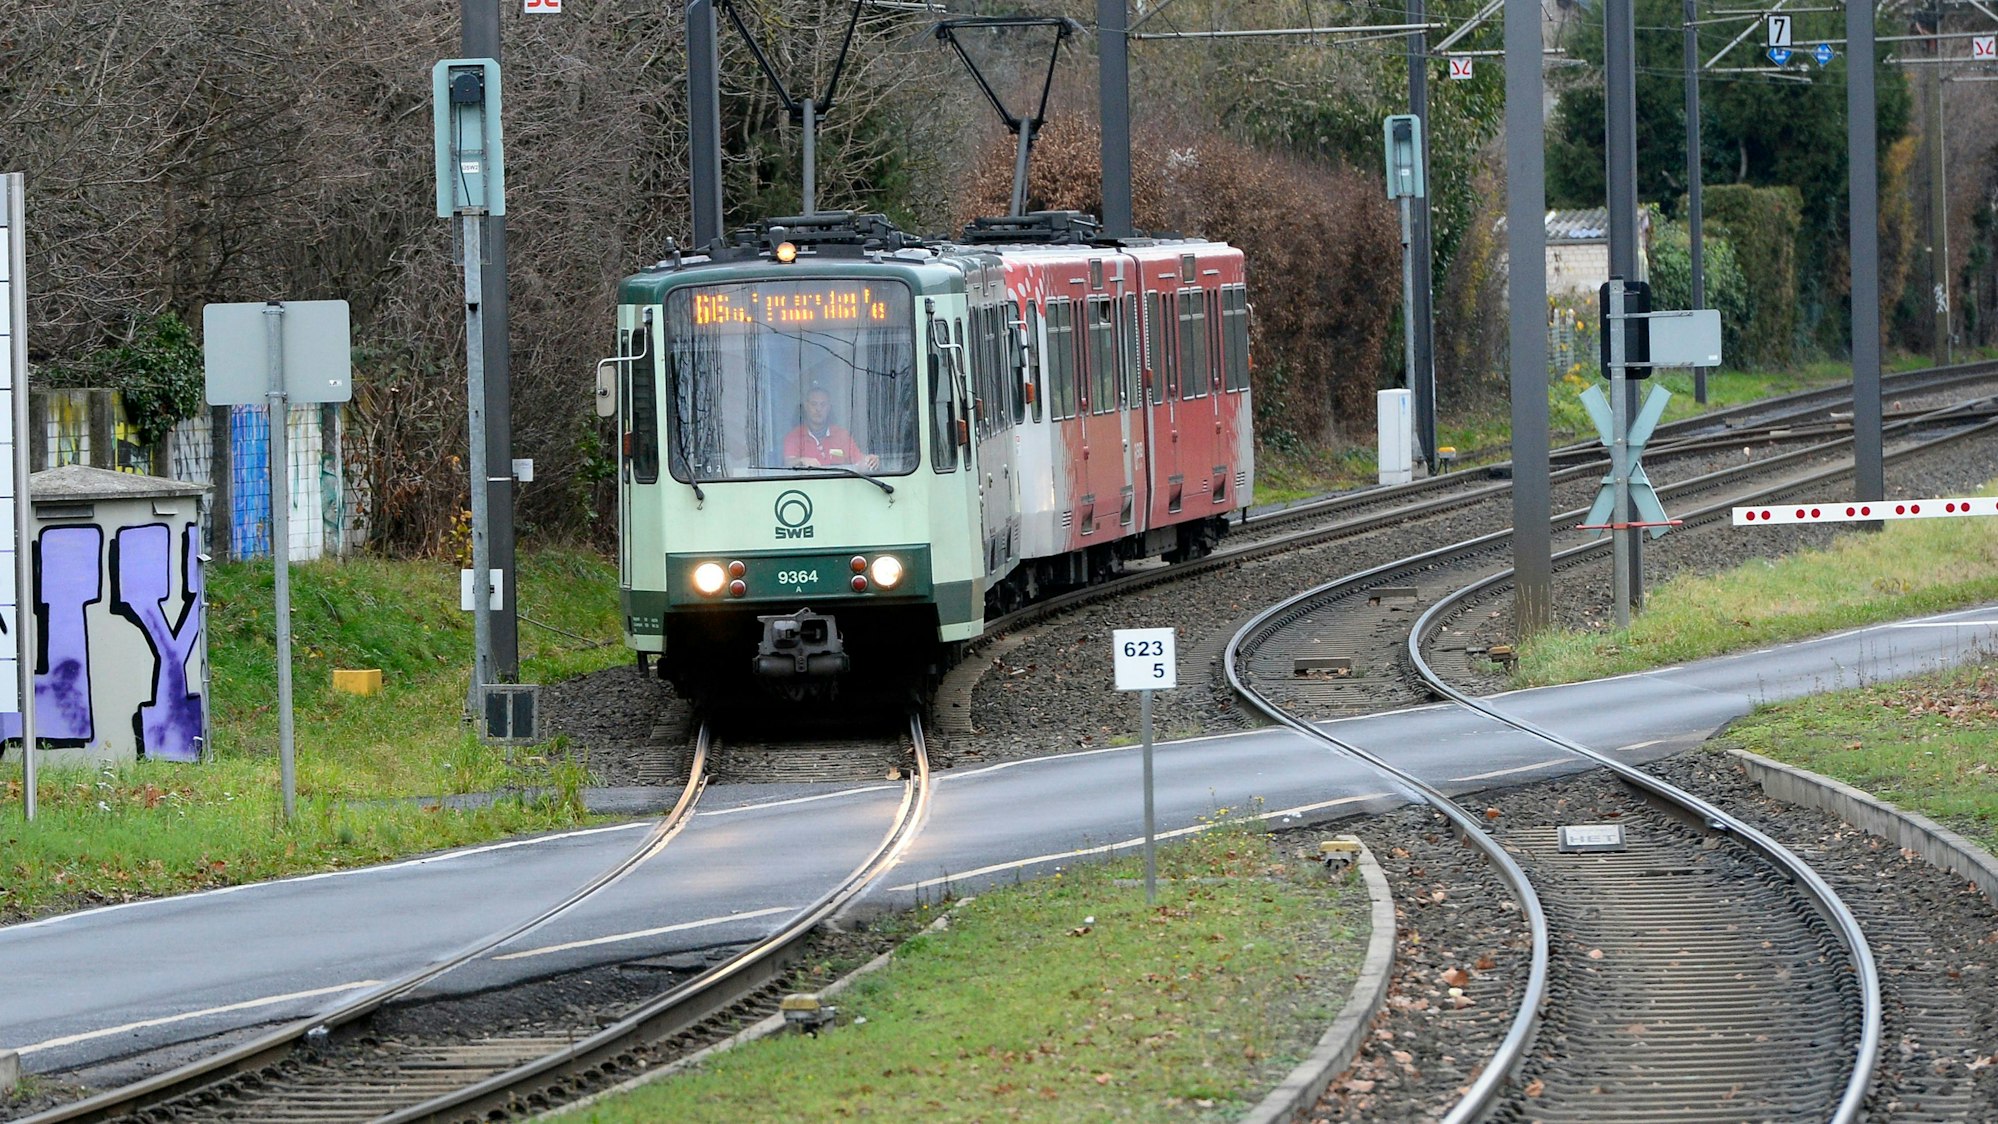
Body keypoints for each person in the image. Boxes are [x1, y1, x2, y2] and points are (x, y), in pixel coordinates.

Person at [784, 386, 880, 470]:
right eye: (814, 404)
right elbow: (787, 463)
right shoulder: (795, 436)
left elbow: (859, 462)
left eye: (823, 404)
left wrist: (870, 461)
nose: (818, 409)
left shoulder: (841, 435)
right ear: (806, 406)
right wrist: (801, 461)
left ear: (829, 408)